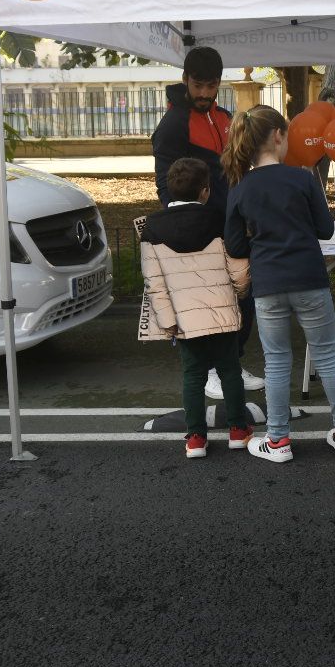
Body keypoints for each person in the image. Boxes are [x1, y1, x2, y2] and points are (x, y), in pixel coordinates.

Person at [222, 105, 335, 463]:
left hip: (268, 284)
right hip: (310, 278)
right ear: (279, 136)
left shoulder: (240, 188)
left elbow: (234, 245)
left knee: (277, 362)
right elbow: (326, 229)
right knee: (327, 355)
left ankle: (278, 440)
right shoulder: (303, 179)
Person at [150, 45, 263, 401]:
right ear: (185, 81)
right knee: (209, 301)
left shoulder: (225, 116)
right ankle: (213, 369)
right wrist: (184, 227)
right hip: (199, 231)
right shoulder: (172, 125)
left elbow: (233, 166)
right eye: (198, 85)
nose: (203, 93)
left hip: (231, 225)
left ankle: (231, 362)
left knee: (243, 297)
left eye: (211, 85)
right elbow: (165, 184)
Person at [139, 157, 251, 458]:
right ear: (205, 190)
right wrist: (239, 294)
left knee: (192, 375)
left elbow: (154, 282)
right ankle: (239, 430)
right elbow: (238, 268)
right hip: (222, 312)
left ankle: (196, 439)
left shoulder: (151, 227)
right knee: (230, 370)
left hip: (185, 320)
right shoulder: (220, 220)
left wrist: (167, 321)